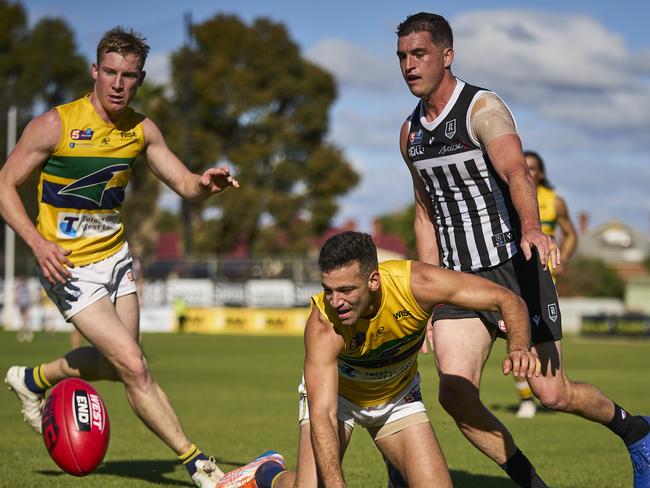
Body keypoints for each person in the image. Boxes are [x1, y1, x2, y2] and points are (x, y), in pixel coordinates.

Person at [397, 12, 650, 487]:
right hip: (459, 280)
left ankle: (636, 431)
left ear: (446, 56)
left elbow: (518, 172)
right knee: (454, 394)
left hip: (515, 267)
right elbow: (424, 213)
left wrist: (532, 228)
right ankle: (532, 484)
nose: (410, 65)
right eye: (403, 57)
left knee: (552, 394)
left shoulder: (482, 108)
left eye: (420, 54)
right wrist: (426, 295)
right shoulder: (410, 135)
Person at [0, 27, 239, 488]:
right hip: (67, 267)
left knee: (117, 365)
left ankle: (32, 379)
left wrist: (204, 184)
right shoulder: (55, 125)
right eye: (109, 72)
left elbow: (185, 183)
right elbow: (4, 183)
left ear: (140, 79)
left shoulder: (142, 129)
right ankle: (197, 462)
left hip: (117, 260)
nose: (117, 83)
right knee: (134, 364)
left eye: (128, 76)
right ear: (95, 71)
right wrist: (36, 242)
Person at [220, 231, 542, 488]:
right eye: (328, 290)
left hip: (397, 397)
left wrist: (517, 345)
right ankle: (265, 473)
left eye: (346, 289)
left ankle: (396, 468)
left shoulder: (417, 284)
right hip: (339, 399)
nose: (336, 301)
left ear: (373, 280)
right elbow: (322, 412)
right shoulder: (323, 323)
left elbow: (506, 298)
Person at [514, 150, 578, 419]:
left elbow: (571, 234)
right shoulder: (511, 198)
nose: (529, 171)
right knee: (519, 336)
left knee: (543, 341)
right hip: (517, 276)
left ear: (540, 172)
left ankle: (550, 390)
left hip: (545, 279)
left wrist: (563, 259)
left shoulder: (556, 202)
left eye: (533, 168)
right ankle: (526, 398)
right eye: (524, 167)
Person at [15, 276, 34, 342]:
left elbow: (16, 295)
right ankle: (25, 334)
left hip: (23, 304)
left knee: (23, 319)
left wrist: (16, 300)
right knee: (25, 319)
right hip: (24, 303)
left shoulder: (19, 287)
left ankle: (22, 334)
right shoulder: (25, 287)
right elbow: (30, 295)